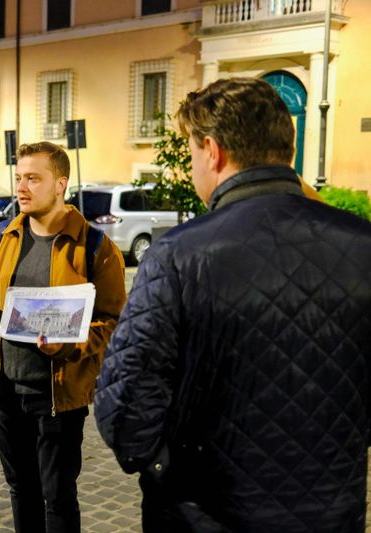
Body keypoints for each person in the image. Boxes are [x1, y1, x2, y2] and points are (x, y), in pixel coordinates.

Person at [94, 77, 371, 532]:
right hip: (330, 512)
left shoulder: (178, 255)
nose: (191, 169)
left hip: (205, 513)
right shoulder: (362, 246)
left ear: (213, 150)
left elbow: (125, 408)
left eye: (190, 155)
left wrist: (166, 469)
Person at [0, 141, 126, 532]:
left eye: (33, 178)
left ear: (60, 184)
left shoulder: (96, 248)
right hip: (3, 391)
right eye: (18, 178)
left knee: (58, 494)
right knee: (21, 489)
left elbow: (115, 323)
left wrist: (70, 345)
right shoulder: (2, 237)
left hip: (58, 395)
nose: (21, 187)